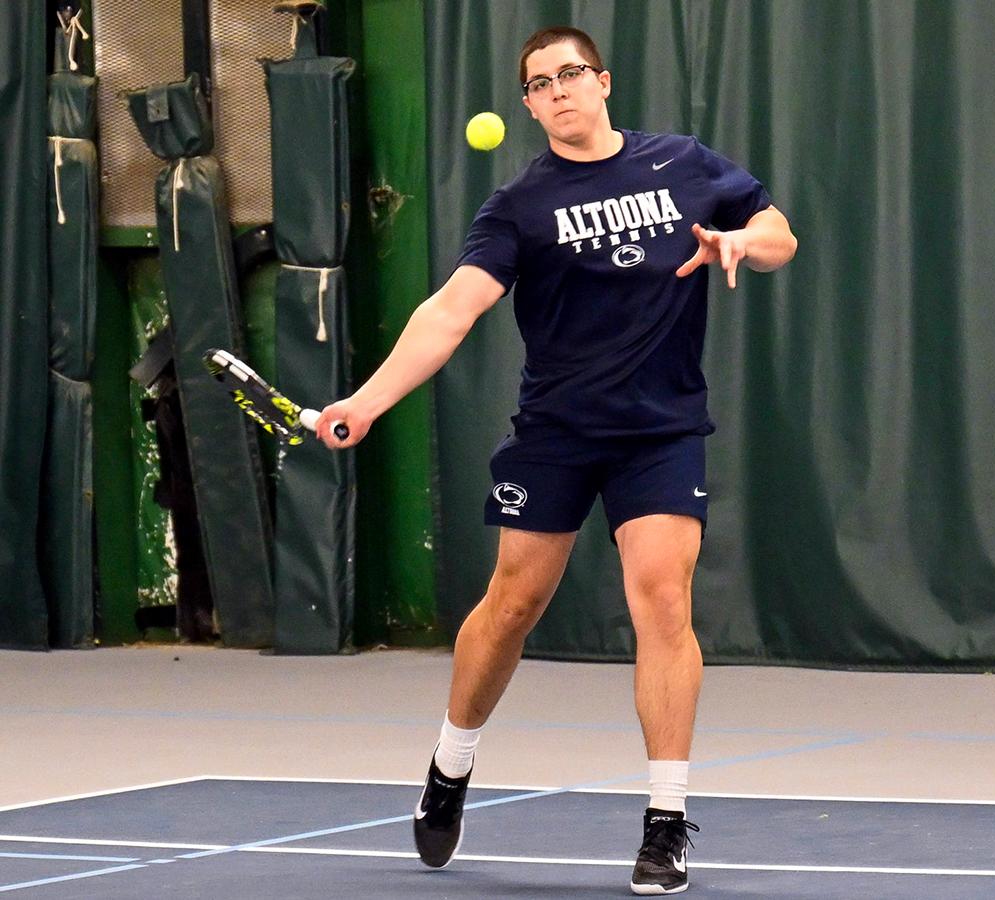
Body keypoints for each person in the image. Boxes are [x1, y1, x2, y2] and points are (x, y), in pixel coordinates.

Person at [315, 25, 796, 896]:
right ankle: (450, 764)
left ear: (603, 81)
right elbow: (451, 311)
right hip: (556, 434)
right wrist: (368, 401)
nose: (560, 90)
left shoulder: (683, 164)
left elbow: (778, 232)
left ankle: (664, 824)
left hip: (661, 431)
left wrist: (738, 244)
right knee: (512, 605)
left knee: (663, 596)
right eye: (541, 83)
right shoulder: (519, 208)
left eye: (572, 73)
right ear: (529, 105)